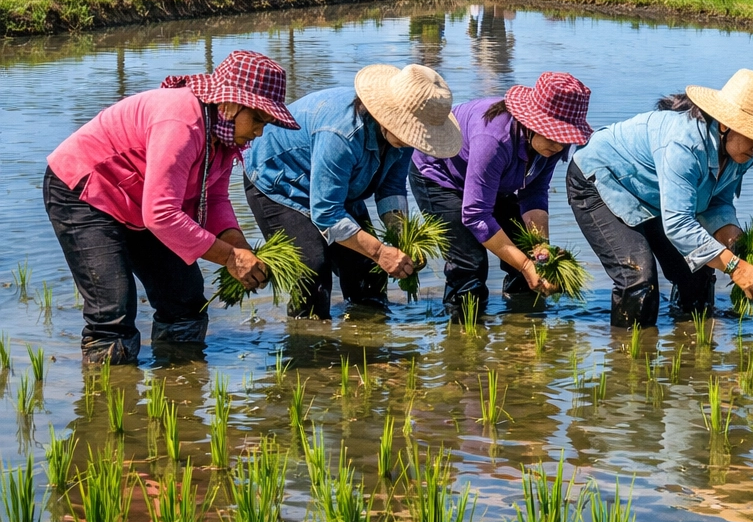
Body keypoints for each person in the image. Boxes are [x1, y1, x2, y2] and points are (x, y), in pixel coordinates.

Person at [45, 52, 299, 364]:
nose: (260, 131)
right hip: (86, 192)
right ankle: (107, 396)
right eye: (258, 118)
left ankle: (181, 383)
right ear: (231, 104)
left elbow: (215, 198)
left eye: (266, 122)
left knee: (184, 297)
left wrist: (239, 246)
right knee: (113, 308)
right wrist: (230, 259)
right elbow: (161, 214)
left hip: (140, 203)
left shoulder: (223, 138)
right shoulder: (182, 121)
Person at [566, 68, 753, 328]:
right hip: (601, 180)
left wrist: (733, 240)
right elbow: (678, 225)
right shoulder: (685, 146)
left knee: (698, 272)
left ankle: (691, 345)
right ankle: (628, 361)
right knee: (638, 279)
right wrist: (736, 267)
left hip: (654, 194)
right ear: (725, 125)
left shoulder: (742, 154)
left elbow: (717, 201)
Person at [243, 64, 463, 319]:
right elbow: (326, 213)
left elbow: (391, 187)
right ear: (389, 114)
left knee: (366, 270)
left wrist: (402, 236)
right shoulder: (342, 133)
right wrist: (381, 252)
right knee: (312, 269)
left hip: (338, 187)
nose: (414, 140)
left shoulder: (405, 139)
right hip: (281, 180)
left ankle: (369, 338)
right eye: (410, 132)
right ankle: (310, 346)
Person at [410, 72, 594, 320]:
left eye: (566, 139)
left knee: (525, 252)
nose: (560, 146)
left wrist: (540, 250)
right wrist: (527, 265)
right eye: (554, 136)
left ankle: (522, 327)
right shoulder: (493, 139)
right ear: (532, 123)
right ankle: (463, 338)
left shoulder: (550, 146)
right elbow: (476, 215)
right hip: (440, 175)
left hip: (490, 180)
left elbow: (534, 191)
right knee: (470, 265)